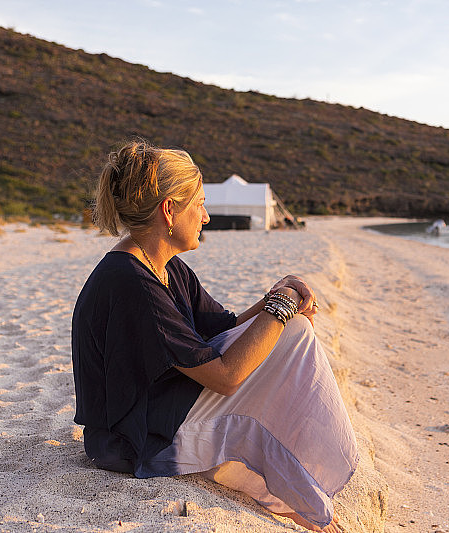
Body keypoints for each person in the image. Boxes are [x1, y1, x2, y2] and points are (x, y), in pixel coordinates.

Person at [71, 140, 357, 532]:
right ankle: (302, 494)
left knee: (286, 330)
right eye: (199, 204)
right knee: (293, 337)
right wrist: (284, 307)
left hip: (155, 413)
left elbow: (224, 327)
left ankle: (298, 491)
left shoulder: (164, 267)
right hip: (133, 443)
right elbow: (226, 376)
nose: (206, 217)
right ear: (169, 210)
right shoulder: (132, 284)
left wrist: (276, 296)